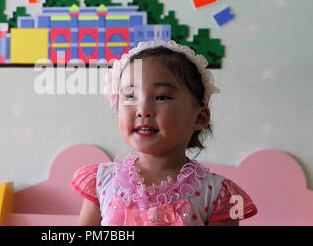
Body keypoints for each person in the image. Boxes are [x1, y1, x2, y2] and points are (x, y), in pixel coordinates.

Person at [70, 40, 258, 226]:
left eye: (161, 97)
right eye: (130, 97)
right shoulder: (102, 182)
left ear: (199, 118)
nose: (143, 110)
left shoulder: (215, 194)